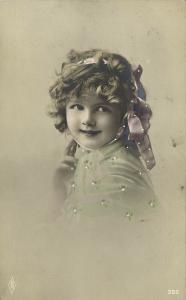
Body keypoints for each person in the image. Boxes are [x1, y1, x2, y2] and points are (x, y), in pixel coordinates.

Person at [48, 49, 158, 223]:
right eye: (77, 106)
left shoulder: (116, 174)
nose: (87, 120)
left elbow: (87, 240)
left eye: (102, 108)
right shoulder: (96, 154)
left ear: (123, 114)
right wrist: (60, 188)